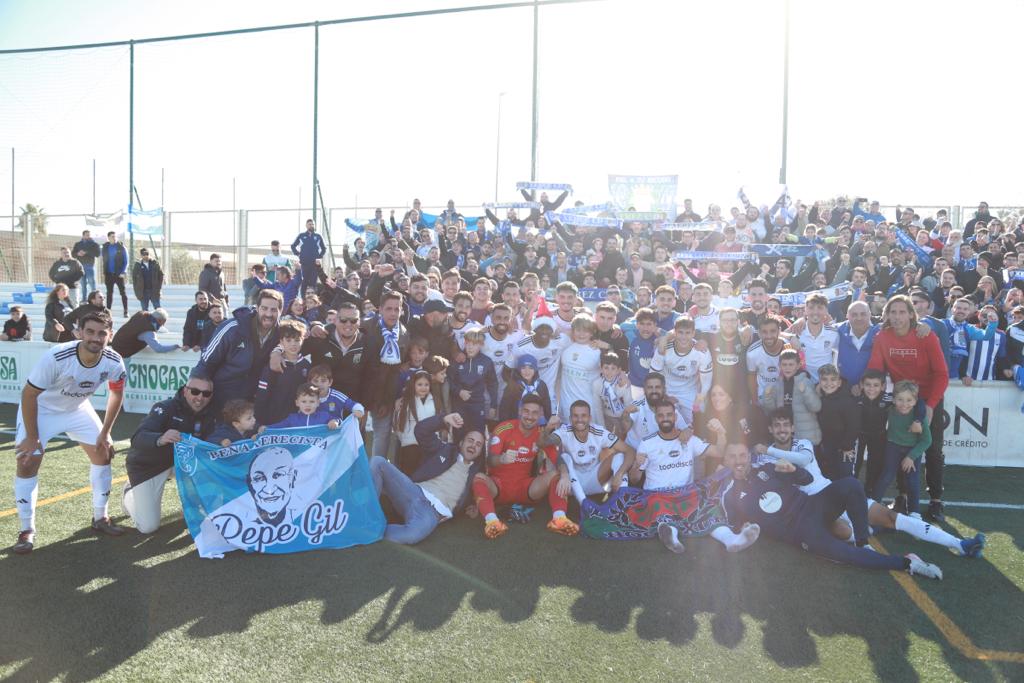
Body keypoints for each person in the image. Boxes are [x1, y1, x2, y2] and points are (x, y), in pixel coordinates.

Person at [721, 443, 943, 579]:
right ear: (724, 460)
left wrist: (794, 471)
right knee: (844, 556)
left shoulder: (767, 468)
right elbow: (735, 530)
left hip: (812, 506)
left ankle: (863, 541)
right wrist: (745, 531)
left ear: (749, 456)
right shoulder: (728, 495)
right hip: (801, 533)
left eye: (742, 455)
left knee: (851, 485)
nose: (738, 461)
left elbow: (806, 479)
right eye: (732, 456)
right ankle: (908, 563)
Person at [12, 312, 127, 554]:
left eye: (102, 333)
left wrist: (105, 432)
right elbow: (29, 394)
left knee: (103, 452)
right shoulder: (57, 356)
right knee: (28, 461)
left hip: (76, 408)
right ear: (79, 333)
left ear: (110, 335)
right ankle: (26, 529)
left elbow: (116, 394)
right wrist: (32, 438)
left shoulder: (114, 361)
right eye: (90, 332)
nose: (96, 338)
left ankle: (100, 517)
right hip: (41, 408)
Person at [867, 295, 949, 519]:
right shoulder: (882, 337)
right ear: (886, 314)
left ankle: (935, 501)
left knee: (932, 449)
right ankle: (902, 497)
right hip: (901, 401)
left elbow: (942, 374)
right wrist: (870, 390)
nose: (897, 317)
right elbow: (875, 368)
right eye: (892, 312)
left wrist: (931, 405)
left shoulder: (926, 335)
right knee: (899, 444)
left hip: (928, 398)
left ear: (912, 314)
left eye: (902, 312)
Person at [368, 412, 484, 544]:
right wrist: (443, 419)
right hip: (413, 491)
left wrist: (476, 504)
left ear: (480, 451)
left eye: (478, 444)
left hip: (431, 513)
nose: (473, 445)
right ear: (462, 442)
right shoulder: (445, 449)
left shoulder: (476, 475)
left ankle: (370, 530)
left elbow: (487, 491)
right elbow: (421, 431)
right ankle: (365, 516)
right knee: (378, 462)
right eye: (470, 440)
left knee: (411, 535)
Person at [472, 395, 578, 539]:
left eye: (535, 413)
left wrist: (566, 475)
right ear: (520, 411)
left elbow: (557, 458)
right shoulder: (504, 428)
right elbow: (490, 461)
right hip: (498, 487)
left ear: (540, 414)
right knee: (479, 478)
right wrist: (502, 459)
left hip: (525, 489)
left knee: (556, 474)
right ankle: (492, 522)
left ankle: (559, 519)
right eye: (526, 411)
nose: (530, 416)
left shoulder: (540, 434)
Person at [122, 377, 218, 533]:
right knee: (148, 527)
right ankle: (129, 494)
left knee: (212, 468)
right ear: (185, 391)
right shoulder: (165, 408)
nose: (200, 397)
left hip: (182, 464)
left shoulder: (212, 413)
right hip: (150, 466)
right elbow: (138, 438)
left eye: (206, 394)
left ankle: (196, 504)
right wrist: (160, 438)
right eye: (195, 391)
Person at [191, 289, 283, 411]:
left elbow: (300, 331)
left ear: (281, 311)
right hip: (223, 398)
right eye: (264, 308)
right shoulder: (233, 328)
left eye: (274, 310)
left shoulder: (281, 331)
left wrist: (279, 350)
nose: (268, 314)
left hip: (254, 401)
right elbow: (206, 362)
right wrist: (195, 395)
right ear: (257, 308)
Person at [552, 400, 634, 502]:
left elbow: (629, 450)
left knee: (619, 456)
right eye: (575, 416)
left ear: (590, 418)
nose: (580, 419)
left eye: (583, 416)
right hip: (573, 483)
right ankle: (584, 505)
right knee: (565, 457)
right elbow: (546, 443)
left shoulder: (599, 432)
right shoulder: (564, 431)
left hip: (595, 479)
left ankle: (623, 499)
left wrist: (620, 473)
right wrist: (547, 429)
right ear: (570, 418)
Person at [360, 291, 410, 459]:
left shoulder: (404, 334)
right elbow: (339, 327)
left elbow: (395, 372)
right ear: (380, 309)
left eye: (397, 309)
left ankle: (376, 481)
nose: (393, 313)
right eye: (389, 309)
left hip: (384, 397)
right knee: (356, 440)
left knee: (382, 441)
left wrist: (386, 401)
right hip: (360, 394)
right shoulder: (365, 326)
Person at [630, 400, 713, 490]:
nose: (665, 418)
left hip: (685, 497)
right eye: (661, 415)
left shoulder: (689, 440)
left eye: (669, 415)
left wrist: (720, 433)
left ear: (675, 417)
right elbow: (634, 480)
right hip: (656, 498)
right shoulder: (646, 444)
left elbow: (719, 452)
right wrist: (636, 465)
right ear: (656, 418)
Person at [651, 316, 712, 420]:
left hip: (690, 392)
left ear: (693, 333)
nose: (684, 337)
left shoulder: (702, 352)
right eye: (680, 332)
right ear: (675, 332)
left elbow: (706, 381)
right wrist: (663, 396)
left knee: (699, 420)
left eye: (688, 333)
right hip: (667, 391)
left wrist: (700, 398)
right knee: (662, 421)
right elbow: (653, 375)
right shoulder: (664, 347)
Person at [253, 320, 311, 425]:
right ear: (281, 342)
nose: (293, 344)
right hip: (274, 418)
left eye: (297, 340)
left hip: (298, 420)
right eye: (288, 340)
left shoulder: (306, 365)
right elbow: (262, 395)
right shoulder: (274, 365)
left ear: (302, 341)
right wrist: (259, 422)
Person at [760, 348, 821, 445]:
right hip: (785, 436)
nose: (787, 368)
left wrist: (806, 391)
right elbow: (772, 410)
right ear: (779, 366)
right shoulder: (777, 384)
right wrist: (767, 397)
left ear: (798, 366)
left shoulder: (806, 382)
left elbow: (816, 407)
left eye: (791, 364)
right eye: (784, 365)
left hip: (805, 436)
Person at [815, 364, 860, 480]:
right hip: (825, 446)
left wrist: (847, 446)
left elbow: (854, 425)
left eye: (833, 379)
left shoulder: (847, 400)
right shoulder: (817, 397)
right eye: (824, 379)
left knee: (845, 476)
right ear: (819, 381)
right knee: (827, 475)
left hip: (844, 447)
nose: (828, 383)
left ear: (839, 382)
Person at [450, 328, 498, 433]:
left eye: (475, 344)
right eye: (468, 343)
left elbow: (493, 384)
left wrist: (493, 406)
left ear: (481, 345)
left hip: (477, 405)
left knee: (477, 435)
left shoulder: (486, 361)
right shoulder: (457, 359)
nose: (470, 347)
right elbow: (449, 381)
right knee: (459, 436)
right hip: (459, 405)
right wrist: (459, 391)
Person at [558, 315, 604, 422]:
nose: (581, 334)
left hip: (588, 407)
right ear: (573, 331)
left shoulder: (597, 351)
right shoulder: (565, 348)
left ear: (592, 332)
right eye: (578, 330)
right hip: (566, 407)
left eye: (586, 331)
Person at [394, 370, 438, 475]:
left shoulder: (435, 401)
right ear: (413, 385)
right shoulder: (406, 402)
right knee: (409, 474)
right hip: (410, 445)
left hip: (428, 446)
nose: (423, 387)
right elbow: (399, 426)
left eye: (426, 385)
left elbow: (437, 423)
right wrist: (406, 439)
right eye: (420, 384)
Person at [110, 309, 179, 359]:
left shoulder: (141, 315)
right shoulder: (148, 332)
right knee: (122, 377)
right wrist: (175, 346)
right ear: (159, 320)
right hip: (122, 351)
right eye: (163, 322)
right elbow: (158, 348)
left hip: (116, 344)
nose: (163, 325)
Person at [267, 383, 341, 429]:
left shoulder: (324, 416)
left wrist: (334, 422)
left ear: (318, 403)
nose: (308, 405)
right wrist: (265, 429)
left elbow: (339, 421)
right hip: (299, 453)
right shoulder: (292, 419)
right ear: (297, 403)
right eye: (304, 401)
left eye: (312, 401)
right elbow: (276, 428)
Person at [590, 351, 632, 433]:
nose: (609, 372)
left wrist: (626, 421)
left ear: (618, 370)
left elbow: (628, 403)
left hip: (622, 416)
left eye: (613, 368)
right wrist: (602, 427)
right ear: (601, 369)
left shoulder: (623, 382)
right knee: (606, 440)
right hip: (606, 417)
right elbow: (597, 408)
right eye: (606, 368)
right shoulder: (597, 384)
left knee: (621, 439)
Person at [291, 219, 326, 295]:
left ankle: (313, 299)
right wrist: (297, 254)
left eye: (313, 224)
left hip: (314, 265)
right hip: (304, 263)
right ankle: (303, 299)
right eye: (310, 224)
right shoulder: (301, 236)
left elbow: (324, 248)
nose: (311, 225)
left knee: (313, 282)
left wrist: (319, 257)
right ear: (306, 225)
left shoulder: (318, 236)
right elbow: (293, 246)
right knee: (304, 281)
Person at [100, 231, 129, 317]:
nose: (114, 238)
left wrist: (123, 271)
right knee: (109, 293)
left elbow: (126, 261)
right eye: (112, 236)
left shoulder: (121, 247)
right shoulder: (105, 247)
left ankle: (126, 311)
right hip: (109, 274)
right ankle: (108, 311)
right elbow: (103, 259)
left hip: (119, 274)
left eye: (115, 236)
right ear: (108, 238)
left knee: (123, 293)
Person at [72, 229, 100, 294]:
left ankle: (95, 297)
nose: (88, 236)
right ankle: (84, 299)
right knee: (83, 284)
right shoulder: (77, 244)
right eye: (87, 235)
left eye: (89, 235)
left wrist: (86, 252)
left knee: (92, 283)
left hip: (89, 266)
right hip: (80, 267)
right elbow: (73, 254)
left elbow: (97, 254)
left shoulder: (94, 244)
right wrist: (77, 254)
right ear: (83, 236)